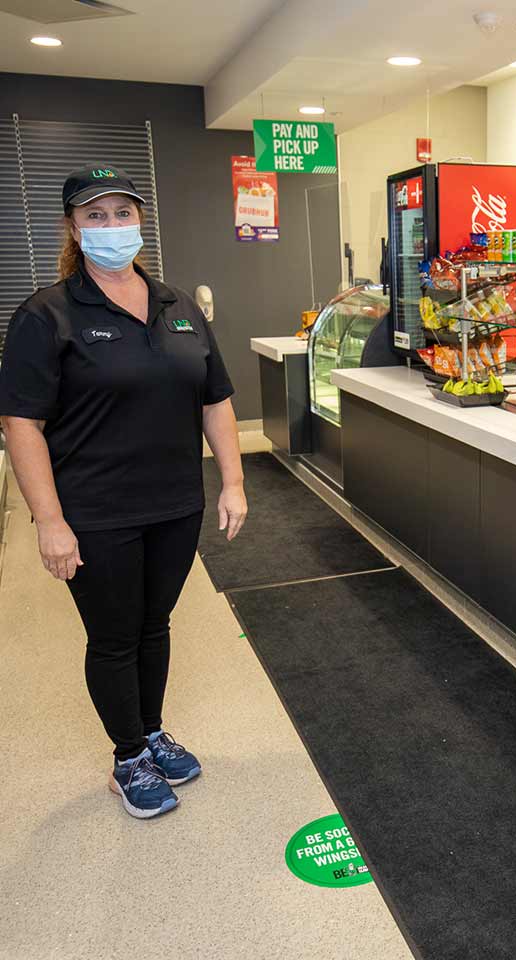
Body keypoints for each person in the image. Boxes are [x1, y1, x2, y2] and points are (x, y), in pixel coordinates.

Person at [0, 165, 248, 819]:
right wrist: (48, 520)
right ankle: (128, 758)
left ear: (140, 221)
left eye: (123, 213)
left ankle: (152, 730)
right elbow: (21, 423)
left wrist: (233, 481)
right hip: (95, 511)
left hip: (174, 504)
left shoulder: (177, 306)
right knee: (114, 636)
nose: (113, 227)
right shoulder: (46, 314)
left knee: (154, 624)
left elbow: (216, 399)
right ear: (74, 230)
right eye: (96, 215)